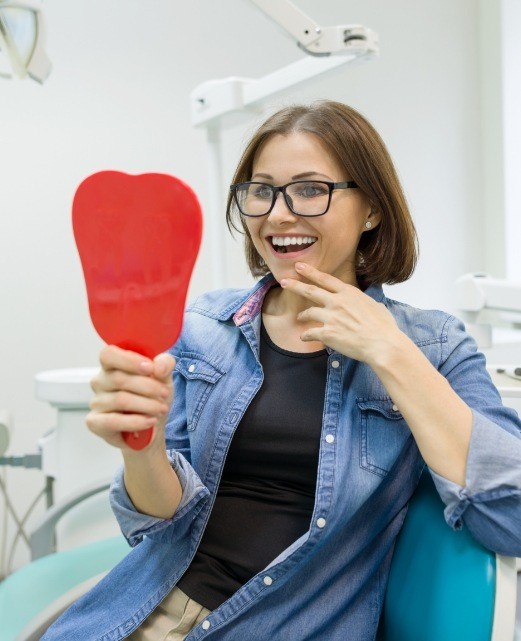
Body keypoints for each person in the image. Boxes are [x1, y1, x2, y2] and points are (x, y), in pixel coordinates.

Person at [42, 101, 521, 641]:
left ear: (372, 209)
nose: (277, 214)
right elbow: (158, 525)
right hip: (141, 614)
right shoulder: (203, 327)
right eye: (260, 190)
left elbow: (511, 515)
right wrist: (141, 447)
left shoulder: (433, 346)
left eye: (311, 189)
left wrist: (390, 350)